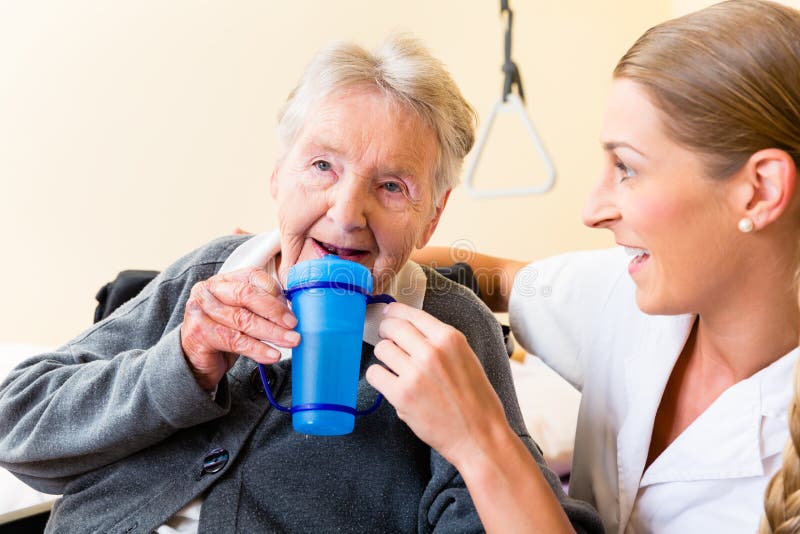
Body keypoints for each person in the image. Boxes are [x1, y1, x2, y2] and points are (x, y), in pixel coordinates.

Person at [0, 36, 602, 533]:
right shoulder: (214, 274)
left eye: (393, 186)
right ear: (278, 177)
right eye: (322, 166)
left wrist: (472, 439)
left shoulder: (449, 326)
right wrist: (181, 364)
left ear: (433, 217)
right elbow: (17, 428)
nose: (347, 213)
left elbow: (498, 511)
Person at [370, 1, 800, 532]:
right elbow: (492, 277)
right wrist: (340, 256)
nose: (591, 210)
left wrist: (481, 440)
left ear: (760, 191)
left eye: (627, 167)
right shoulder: (628, 294)